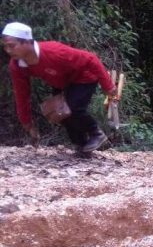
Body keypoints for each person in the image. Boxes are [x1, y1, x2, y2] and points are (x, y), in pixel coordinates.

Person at [2, 22, 117, 155]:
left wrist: (107, 85)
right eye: (5, 46)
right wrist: (26, 121)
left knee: (73, 109)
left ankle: (96, 133)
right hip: (61, 82)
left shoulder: (54, 51)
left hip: (84, 76)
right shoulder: (16, 65)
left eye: (12, 46)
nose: (8, 50)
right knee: (60, 114)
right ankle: (82, 146)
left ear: (27, 42)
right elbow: (22, 93)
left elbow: (91, 59)